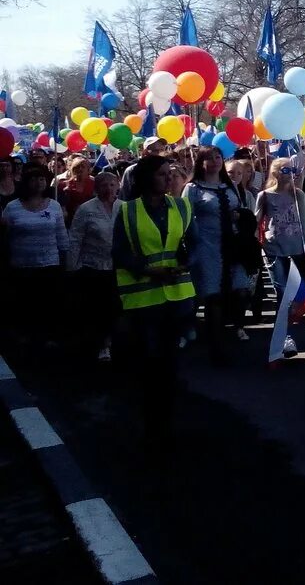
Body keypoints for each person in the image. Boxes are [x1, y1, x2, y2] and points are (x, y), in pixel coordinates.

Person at [111, 155, 196, 441]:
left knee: (169, 365)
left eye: (169, 174)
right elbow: (120, 252)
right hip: (143, 299)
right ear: (147, 178)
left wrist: (185, 261)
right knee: (150, 363)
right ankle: (150, 425)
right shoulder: (127, 211)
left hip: (176, 296)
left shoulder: (182, 206)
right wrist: (146, 269)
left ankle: (166, 423)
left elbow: (194, 244)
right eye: (162, 174)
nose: (169, 179)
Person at [184, 146, 256, 361]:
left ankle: (233, 329)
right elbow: (187, 219)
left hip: (233, 246)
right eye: (210, 158)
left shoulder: (231, 186)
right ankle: (216, 347)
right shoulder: (193, 188)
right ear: (201, 162)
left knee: (240, 290)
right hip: (207, 246)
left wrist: (239, 217)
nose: (215, 161)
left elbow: (244, 211)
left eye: (218, 157)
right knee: (212, 296)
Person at [1, 164, 70, 350]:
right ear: (26, 182)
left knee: (48, 303)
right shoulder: (12, 207)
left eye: (42, 179)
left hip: (50, 263)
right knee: (24, 303)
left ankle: (48, 336)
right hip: (22, 265)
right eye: (34, 179)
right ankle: (25, 337)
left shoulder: (54, 205)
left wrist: (66, 258)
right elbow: (5, 235)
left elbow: (61, 235)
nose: (38, 182)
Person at [256, 158, 305, 359]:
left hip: (296, 249)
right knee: (282, 293)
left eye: (292, 169)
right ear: (275, 172)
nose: (290, 173)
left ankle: (286, 332)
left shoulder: (299, 195)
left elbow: (304, 225)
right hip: (273, 250)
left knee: (297, 295)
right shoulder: (265, 196)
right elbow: (257, 223)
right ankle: (284, 337)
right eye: (285, 169)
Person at [67, 170, 122, 361]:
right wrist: (72, 267)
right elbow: (75, 239)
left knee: (117, 308)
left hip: (119, 267)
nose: (109, 189)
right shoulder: (86, 209)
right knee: (98, 308)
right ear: (97, 188)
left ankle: (115, 342)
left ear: (118, 186)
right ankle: (100, 344)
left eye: (112, 184)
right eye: (104, 185)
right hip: (93, 267)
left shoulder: (124, 207)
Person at [60, 156, 95, 225]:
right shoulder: (63, 185)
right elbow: (61, 205)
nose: (80, 169)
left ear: (88, 170)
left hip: (91, 220)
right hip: (71, 220)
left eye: (83, 166)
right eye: (77, 167)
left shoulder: (95, 184)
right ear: (72, 169)